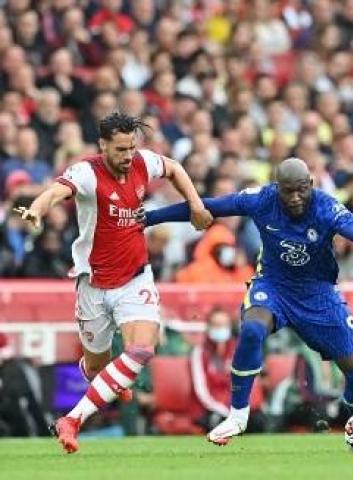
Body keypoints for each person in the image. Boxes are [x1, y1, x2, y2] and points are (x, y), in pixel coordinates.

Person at [140, 157, 353, 445]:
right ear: (277, 187)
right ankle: (238, 415)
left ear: (310, 184)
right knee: (252, 329)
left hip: (318, 294)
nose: (295, 198)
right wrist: (151, 217)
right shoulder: (261, 200)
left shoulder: (327, 208)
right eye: (288, 191)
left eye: (301, 190)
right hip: (273, 286)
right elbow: (206, 204)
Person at [14, 112, 212, 453]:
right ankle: (107, 378)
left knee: (141, 350)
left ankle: (72, 419)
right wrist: (36, 209)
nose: (128, 156)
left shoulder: (142, 163)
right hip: (93, 284)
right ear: (103, 145)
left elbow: (175, 168)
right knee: (96, 368)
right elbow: (54, 192)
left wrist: (194, 204)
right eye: (121, 149)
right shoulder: (87, 173)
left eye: (131, 148)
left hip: (135, 279)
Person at [190, 307, 238, 431]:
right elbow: (200, 390)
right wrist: (222, 410)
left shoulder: (238, 349)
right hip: (209, 407)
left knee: (257, 420)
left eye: (224, 325)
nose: (220, 328)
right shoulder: (200, 352)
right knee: (218, 422)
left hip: (235, 406)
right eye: (216, 325)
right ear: (209, 327)